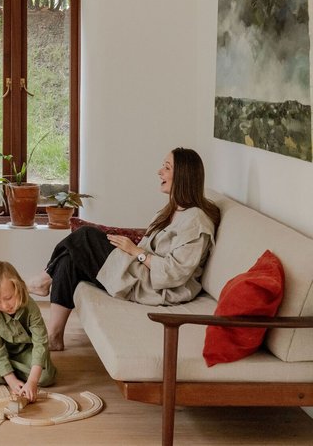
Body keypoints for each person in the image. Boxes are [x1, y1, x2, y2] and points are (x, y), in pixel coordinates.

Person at [28, 147, 220, 351]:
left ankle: (44, 278)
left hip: (157, 287)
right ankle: (54, 337)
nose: (159, 172)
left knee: (86, 235)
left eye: (167, 167)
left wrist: (135, 252)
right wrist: (132, 252)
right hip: (142, 271)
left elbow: (174, 274)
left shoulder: (196, 221)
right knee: (70, 261)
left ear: (183, 175)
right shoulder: (170, 211)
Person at [0, 261, 57, 401]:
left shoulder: (31, 307)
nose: (5, 305)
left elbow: (40, 342)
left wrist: (32, 381)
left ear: (18, 287)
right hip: (0, 350)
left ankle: (20, 371)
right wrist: (10, 379)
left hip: (26, 350)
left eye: (8, 298)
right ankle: (13, 371)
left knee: (45, 378)